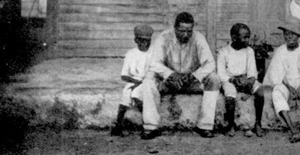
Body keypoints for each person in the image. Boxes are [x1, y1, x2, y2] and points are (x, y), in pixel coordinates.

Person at [141, 12, 221, 140]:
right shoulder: (164, 37)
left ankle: (205, 125)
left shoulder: (198, 38)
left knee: (214, 79)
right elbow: (154, 63)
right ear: (175, 28)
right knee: (149, 79)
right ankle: (151, 127)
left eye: (189, 31)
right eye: (182, 31)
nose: (186, 35)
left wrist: (195, 76)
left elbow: (210, 63)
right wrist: (171, 75)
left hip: (191, 82)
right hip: (169, 83)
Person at [263, 19, 300, 144]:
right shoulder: (281, 51)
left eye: (292, 34)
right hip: (286, 82)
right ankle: (293, 131)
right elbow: (279, 74)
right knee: (277, 93)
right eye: (286, 34)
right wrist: (290, 88)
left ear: (298, 36)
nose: (289, 37)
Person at [217, 23, 265, 137]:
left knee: (260, 92)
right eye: (245, 37)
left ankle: (258, 124)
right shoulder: (223, 51)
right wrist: (233, 80)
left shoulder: (249, 51)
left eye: (248, 36)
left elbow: (252, 71)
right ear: (234, 38)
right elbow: (221, 73)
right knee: (230, 94)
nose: (248, 40)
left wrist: (250, 80)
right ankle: (230, 124)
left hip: (245, 79)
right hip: (230, 80)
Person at [111, 24, 154, 136]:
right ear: (135, 40)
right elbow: (124, 75)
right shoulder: (131, 54)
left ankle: (148, 124)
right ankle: (118, 124)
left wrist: (142, 82)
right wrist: (135, 82)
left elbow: (155, 71)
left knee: (136, 94)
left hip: (148, 81)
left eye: (147, 40)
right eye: (141, 40)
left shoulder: (153, 53)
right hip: (134, 81)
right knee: (126, 95)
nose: (144, 43)